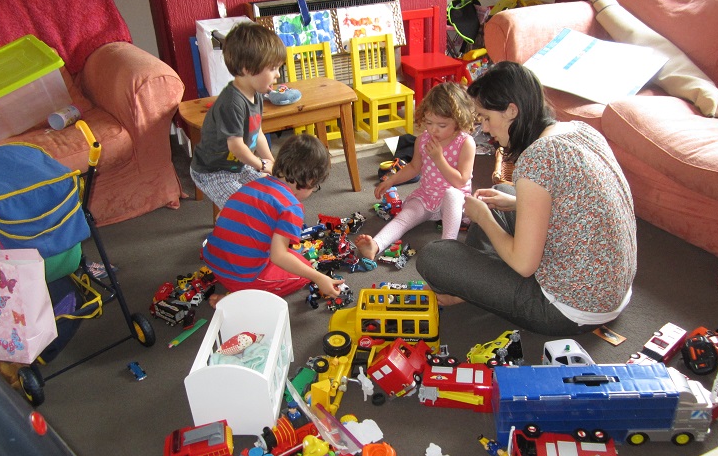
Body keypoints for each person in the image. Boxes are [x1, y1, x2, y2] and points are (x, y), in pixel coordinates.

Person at [416, 62, 637, 337]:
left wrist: (482, 217)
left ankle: (472, 285)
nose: (485, 128)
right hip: (610, 292)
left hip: (566, 310)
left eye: (487, 118)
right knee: (504, 194)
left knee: (434, 257)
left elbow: (524, 265)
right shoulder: (581, 130)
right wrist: (514, 204)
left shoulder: (537, 158)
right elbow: (573, 202)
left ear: (512, 110)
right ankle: (477, 281)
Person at [203, 134, 343, 303]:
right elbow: (278, 257)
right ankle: (235, 300)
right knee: (304, 273)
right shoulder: (291, 206)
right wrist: (318, 278)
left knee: (293, 255)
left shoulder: (252, 184)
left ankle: (237, 287)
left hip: (213, 260)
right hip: (242, 277)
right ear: (310, 181)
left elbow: (222, 217)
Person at [355, 82, 476, 261]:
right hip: (427, 196)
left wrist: (439, 159)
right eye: (429, 122)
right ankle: (376, 244)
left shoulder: (465, 143)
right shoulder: (422, 140)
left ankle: (447, 247)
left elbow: (460, 181)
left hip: (456, 202)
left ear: (459, 122)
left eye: (442, 125)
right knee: (404, 218)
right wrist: (391, 180)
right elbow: (413, 167)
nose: (433, 129)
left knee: (452, 195)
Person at [190, 22, 284, 210]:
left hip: (239, 166)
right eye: (273, 68)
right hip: (213, 172)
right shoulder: (232, 103)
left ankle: (231, 219)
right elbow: (236, 146)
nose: (278, 75)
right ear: (247, 68)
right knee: (244, 209)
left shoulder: (256, 94)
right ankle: (229, 223)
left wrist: (272, 163)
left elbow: (257, 133)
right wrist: (261, 165)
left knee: (272, 192)